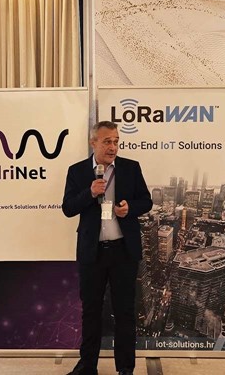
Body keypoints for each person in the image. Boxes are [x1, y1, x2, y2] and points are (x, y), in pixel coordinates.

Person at [62, 121, 152, 375]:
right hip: (92, 252)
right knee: (91, 311)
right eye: (107, 142)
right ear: (93, 143)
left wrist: (129, 208)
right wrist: (89, 193)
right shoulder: (77, 171)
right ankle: (87, 366)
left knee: (124, 312)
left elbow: (146, 201)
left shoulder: (131, 168)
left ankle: (125, 368)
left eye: (116, 141)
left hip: (123, 251)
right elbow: (68, 208)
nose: (113, 147)